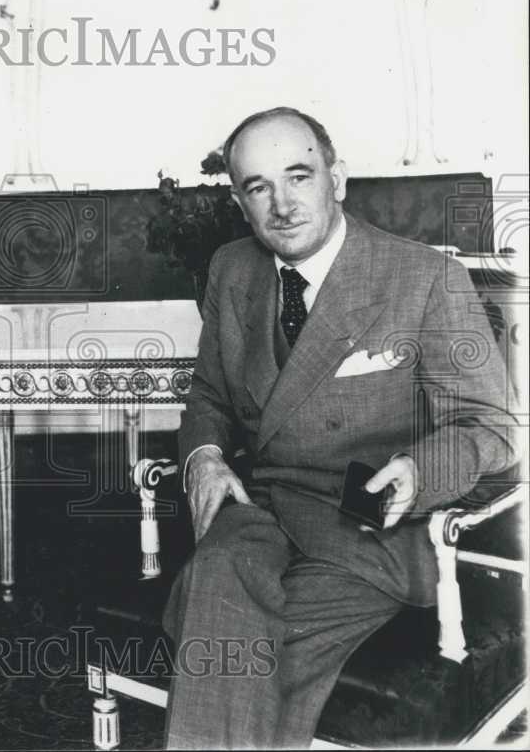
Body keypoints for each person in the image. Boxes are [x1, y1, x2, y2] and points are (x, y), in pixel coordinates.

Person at [161, 107, 519, 748]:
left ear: (338, 178)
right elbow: (210, 394)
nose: (282, 204)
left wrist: (421, 470)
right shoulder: (232, 270)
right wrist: (206, 458)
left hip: (367, 530)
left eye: (299, 176)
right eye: (258, 186)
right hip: (258, 510)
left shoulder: (427, 279)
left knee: (221, 648)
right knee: (216, 585)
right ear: (242, 202)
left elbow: (491, 427)